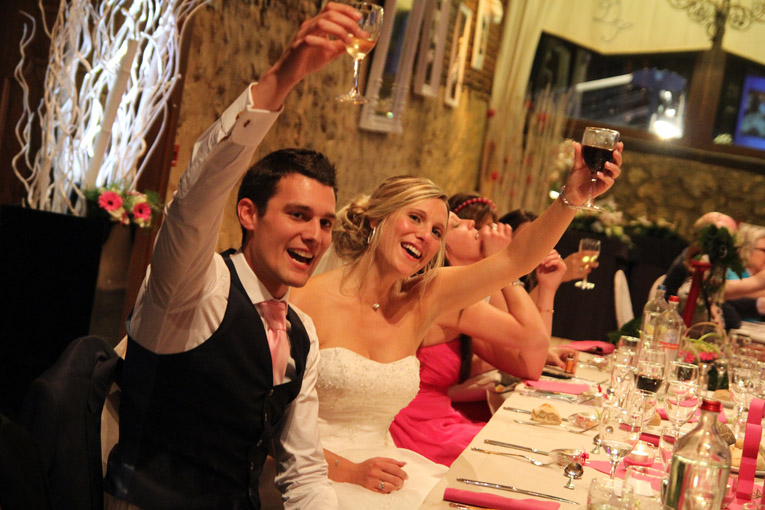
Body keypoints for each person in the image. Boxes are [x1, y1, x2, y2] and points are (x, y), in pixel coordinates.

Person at [103, 4, 365, 508]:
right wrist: (281, 79)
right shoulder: (192, 288)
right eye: (298, 215)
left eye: (325, 222)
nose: (315, 236)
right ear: (249, 213)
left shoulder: (302, 334)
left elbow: (305, 474)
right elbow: (195, 196)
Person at [291, 142, 622, 507]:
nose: (425, 236)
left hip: (391, 473)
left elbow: (516, 259)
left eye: (437, 231)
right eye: (415, 218)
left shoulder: (424, 297)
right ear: (375, 218)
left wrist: (571, 198)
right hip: (317, 476)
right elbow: (269, 425)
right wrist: (349, 471)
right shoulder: (304, 299)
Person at [389, 208, 570, 466]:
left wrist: (547, 288)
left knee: (545, 448)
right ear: (442, 248)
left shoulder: (466, 297)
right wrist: (506, 263)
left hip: (442, 423)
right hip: (419, 434)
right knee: (535, 457)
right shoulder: (440, 295)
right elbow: (533, 337)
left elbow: (530, 365)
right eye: (456, 225)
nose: (472, 223)